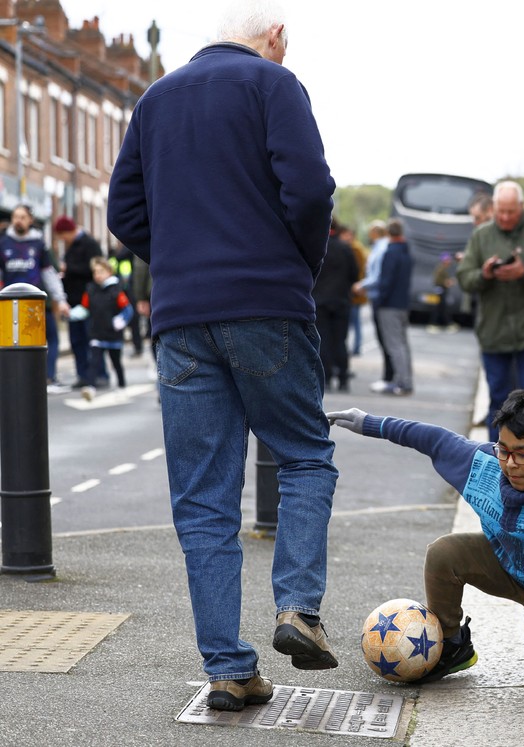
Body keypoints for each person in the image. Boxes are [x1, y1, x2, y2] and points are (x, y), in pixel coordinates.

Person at [107, 0, 339, 713]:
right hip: (267, 304)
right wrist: (293, 266)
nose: (286, 52)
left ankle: (228, 669)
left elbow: (124, 214)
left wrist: (178, 263)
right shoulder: (275, 86)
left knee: (204, 500)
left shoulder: (155, 98)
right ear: (271, 36)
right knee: (304, 454)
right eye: (286, 42)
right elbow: (310, 189)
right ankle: (297, 606)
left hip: (182, 321)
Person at [327, 389, 524, 685]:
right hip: (504, 566)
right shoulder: (481, 465)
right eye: (504, 450)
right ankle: (452, 643)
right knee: (445, 552)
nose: (510, 463)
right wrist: (369, 423)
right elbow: (432, 438)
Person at [456, 181, 524, 442]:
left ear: (521, 207)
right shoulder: (481, 235)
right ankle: (498, 461)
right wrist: (484, 274)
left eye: (511, 212)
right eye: (500, 211)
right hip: (493, 332)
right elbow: (464, 277)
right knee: (498, 401)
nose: (505, 217)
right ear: (493, 208)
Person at [0, 204, 72, 391]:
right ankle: (12, 379)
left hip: (37, 305)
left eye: (23, 217)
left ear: (30, 220)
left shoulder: (39, 244)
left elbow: (49, 274)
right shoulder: (3, 243)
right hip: (10, 305)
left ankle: (48, 377)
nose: (18, 220)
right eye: (16, 216)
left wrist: (61, 300)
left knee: (51, 338)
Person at [70, 256, 134, 401]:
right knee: (94, 361)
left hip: (113, 334)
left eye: (101, 271)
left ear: (109, 272)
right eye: (95, 272)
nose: (97, 275)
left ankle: (122, 387)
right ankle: (90, 388)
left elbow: (128, 310)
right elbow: (84, 309)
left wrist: (120, 321)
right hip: (96, 333)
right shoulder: (91, 290)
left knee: (116, 363)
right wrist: (71, 314)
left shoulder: (116, 290)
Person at [54, 215, 104, 388]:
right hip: (73, 302)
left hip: (88, 301)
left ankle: (99, 375)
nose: (61, 240)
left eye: (62, 235)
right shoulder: (70, 247)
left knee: (92, 338)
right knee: (77, 340)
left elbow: (95, 271)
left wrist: (68, 269)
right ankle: (83, 375)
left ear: (68, 231)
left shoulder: (89, 244)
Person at [312, 216, 358, 392]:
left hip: (319, 300)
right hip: (341, 300)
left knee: (323, 340)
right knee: (340, 341)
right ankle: (344, 378)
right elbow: (354, 275)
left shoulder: (317, 247)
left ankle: (327, 377)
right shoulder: (346, 249)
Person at [354, 220, 394, 392]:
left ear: (375, 233)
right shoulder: (383, 246)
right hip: (378, 296)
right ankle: (389, 376)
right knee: (385, 339)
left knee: (385, 339)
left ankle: (389, 377)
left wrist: (361, 285)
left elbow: (377, 275)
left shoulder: (380, 248)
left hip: (379, 298)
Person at [375, 218, 414, 395]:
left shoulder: (391, 253)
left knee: (394, 344)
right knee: (403, 343)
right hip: (403, 303)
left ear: (389, 233)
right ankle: (406, 379)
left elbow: (386, 280)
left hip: (389, 304)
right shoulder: (407, 252)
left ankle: (401, 382)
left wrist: (379, 299)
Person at [342, 225, 369, 356]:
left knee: (353, 322)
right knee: (354, 321)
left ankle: (356, 347)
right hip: (356, 291)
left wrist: (357, 286)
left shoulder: (355, 249)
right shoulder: (356, 248)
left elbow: (357, 272)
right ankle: (355, 346)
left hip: (355, 292)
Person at [427, 252, 457, 332]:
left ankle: (445, 323)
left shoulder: (443, 268)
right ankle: (435, 324)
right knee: (439, 307)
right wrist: (447, 282)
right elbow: (437, 280)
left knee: (441, 307)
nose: (449, 262)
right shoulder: (441, 269)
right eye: (448, 260)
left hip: (442, 290)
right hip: (440, 290)